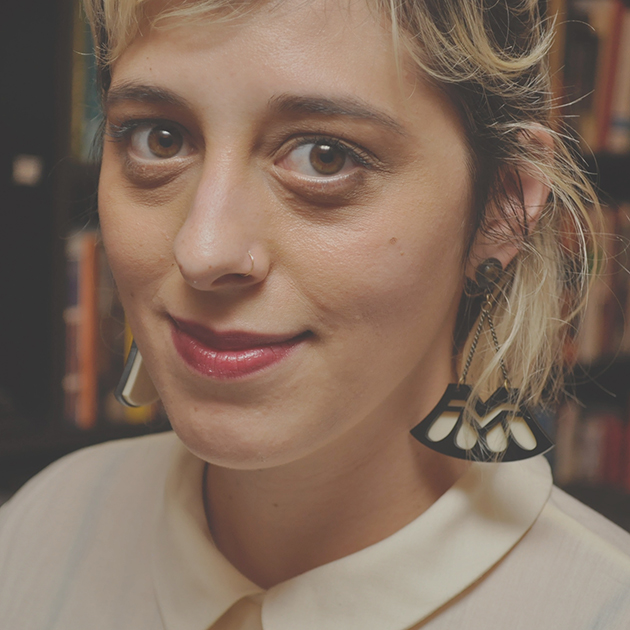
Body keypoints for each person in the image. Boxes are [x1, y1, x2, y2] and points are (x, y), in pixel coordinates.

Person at [2, 0, 630, 627]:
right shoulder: (36, 529)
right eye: (158, 138)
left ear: (501, 206)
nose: (202, 250)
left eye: (325, 155)